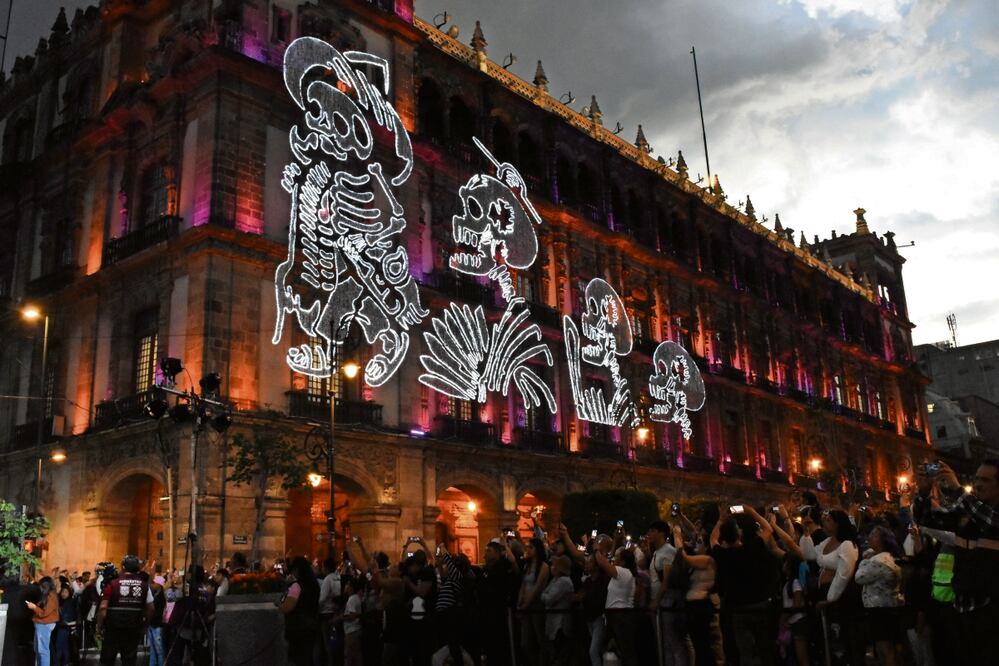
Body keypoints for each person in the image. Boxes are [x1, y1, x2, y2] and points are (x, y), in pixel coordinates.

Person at [913, 459, 999, 665]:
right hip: (961, 610)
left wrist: (958, 490)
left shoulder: (989, 516)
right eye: (977, 478)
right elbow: (927, 520)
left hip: (992, 613)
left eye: (985, 480)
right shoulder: (967, 514)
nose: (978, 484)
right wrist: (924, 492)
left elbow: (992, 521)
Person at [709, 507, 779, 666]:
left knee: (745, 650)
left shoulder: (723, 555)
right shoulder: (753, 547)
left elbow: (712, 539)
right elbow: (768, 529)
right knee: (764, 647)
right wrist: (750, 511)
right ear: (739, 534)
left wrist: (720, 519)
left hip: (738, 608)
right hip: (760, 603)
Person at [855, 525, 903, 666]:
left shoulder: (878, 561)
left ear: (883, 540)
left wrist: (865, 561)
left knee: (885, 648)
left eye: (874, 535)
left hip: (879, 609)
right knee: (890, 647)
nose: (870, 537)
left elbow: (859, 577)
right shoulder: (890, 558)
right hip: (889, 606)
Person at [94, 556, 154, 666]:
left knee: (107, 661)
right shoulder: (144, 586)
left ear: (123, 567)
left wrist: (99, 627)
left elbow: (103, 608)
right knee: (129, 661)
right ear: (137, 568)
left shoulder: (112, 584)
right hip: (133, 629)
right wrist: (144, 625)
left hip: (113, 629)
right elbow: (151, 608)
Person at [647, 519, 688, 666]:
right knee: (664, 642)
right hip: (662, 602)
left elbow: (667, 580)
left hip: (668, 601)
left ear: (661, 533)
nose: (649, 534)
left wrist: (656, 601)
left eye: (652, 531)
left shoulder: (668, 552)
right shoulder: (657, 552)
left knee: (673, 641)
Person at [595, 543, 639, 666]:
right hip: (617, 615)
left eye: (617, 558)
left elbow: (602, 563)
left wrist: (596, 550)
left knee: (626, 651)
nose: (614, 560)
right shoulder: (623, 574)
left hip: (621, 615)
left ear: (624, 562)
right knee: (622, 650)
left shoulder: (623, 572)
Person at [276, 556, 320, 666]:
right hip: (311, 626)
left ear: (297, 569)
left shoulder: (297, 586)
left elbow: (287, 608)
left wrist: (278, 604)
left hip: (297, 629)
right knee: (308, 658)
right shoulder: (314, 585)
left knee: (298, 659)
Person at [516, 537, 549, 666]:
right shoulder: (527, 566)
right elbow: (523, 585)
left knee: (540, 637)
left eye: (531, 547)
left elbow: (537, 588)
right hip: (525, 604)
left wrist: (526, 605)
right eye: (527, 547)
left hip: (536, 605)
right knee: (525, 642)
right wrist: (520, 602)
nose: (527, 550)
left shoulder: (544, 566)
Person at [540, 555, 574, 666]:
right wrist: (544, 595)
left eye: (555, 565)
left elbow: (548, 598)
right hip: (553, 621)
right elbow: (545, 594)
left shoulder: (564, 582)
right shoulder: (555, 579)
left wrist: (544, 596)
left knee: (560, 654)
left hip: (560, 624)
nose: (552, 567)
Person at [25, 577, 59, 666]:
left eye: (41, 586)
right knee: (38, 650)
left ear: (45, 586)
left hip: (44, 624)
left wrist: (34, 607)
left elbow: (44, 613)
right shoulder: (48, 595)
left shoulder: (51, 596)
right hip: (41, 624)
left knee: (43, 651)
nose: (39, 588)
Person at [53, 576, 79, 666]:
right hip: (63, 627)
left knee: (61, 647)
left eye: (65, 592)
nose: (63, 594)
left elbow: (67, 617)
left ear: (69, 592)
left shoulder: (70, 602)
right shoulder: (62, 602)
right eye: (62, 592)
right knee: (64, 648)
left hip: (65, 627)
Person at [146, 575, 167, 666]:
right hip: (153, 624)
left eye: (154, 583)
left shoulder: (161, 596)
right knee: (153, 650)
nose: (152, 585)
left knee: (159, 650)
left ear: (159, 584)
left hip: (157, 625)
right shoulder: (156, 594)